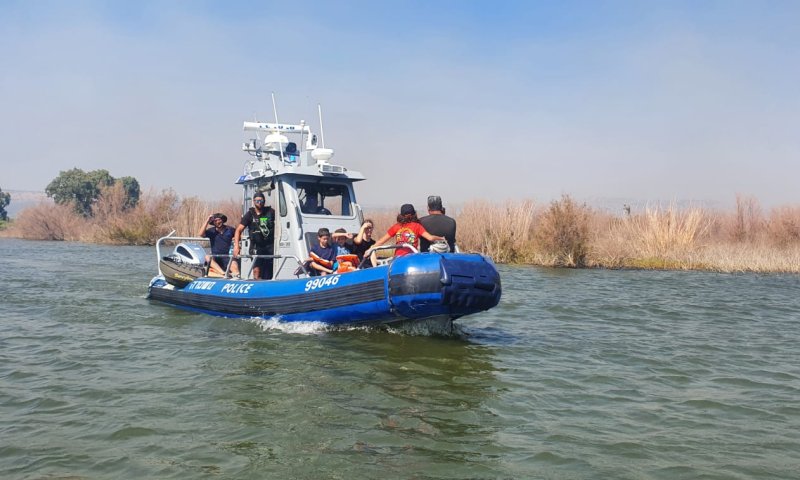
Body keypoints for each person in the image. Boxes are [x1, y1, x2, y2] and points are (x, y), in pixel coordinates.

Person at [372, 204, 444, 258]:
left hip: (398, 258)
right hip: (412, 257)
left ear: (401, 215)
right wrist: (442, 238)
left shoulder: (396, 226)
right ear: (414, 214)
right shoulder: (417, 226)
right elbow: (430, 238)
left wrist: (370, 249)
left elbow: (380, 242)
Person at [234, 191, 275, 280]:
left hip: (269, 247)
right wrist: (236, 246)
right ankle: (257, 285)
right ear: (253, 201)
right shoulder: (249, 215)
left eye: (261, 200)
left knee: (269, 271)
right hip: (256, 246)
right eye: (257, 201)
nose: (259, 203)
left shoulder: (271, 212)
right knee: (257, 270)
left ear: (264, 201)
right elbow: (238, 230)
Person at [198, 213, 239, 278]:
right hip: (215, 256)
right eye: (215, 221)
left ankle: (237, 278)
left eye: (219, 220)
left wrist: (237, 243)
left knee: (234, 264)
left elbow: (239, 235)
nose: (218, 222)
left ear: (222, 220)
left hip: (227, 256)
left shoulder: (230, 229)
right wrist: (207, 221)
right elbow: (201, 234)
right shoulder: (211, 231)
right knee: (207, 257)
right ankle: (223, 274)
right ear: (213, 222)